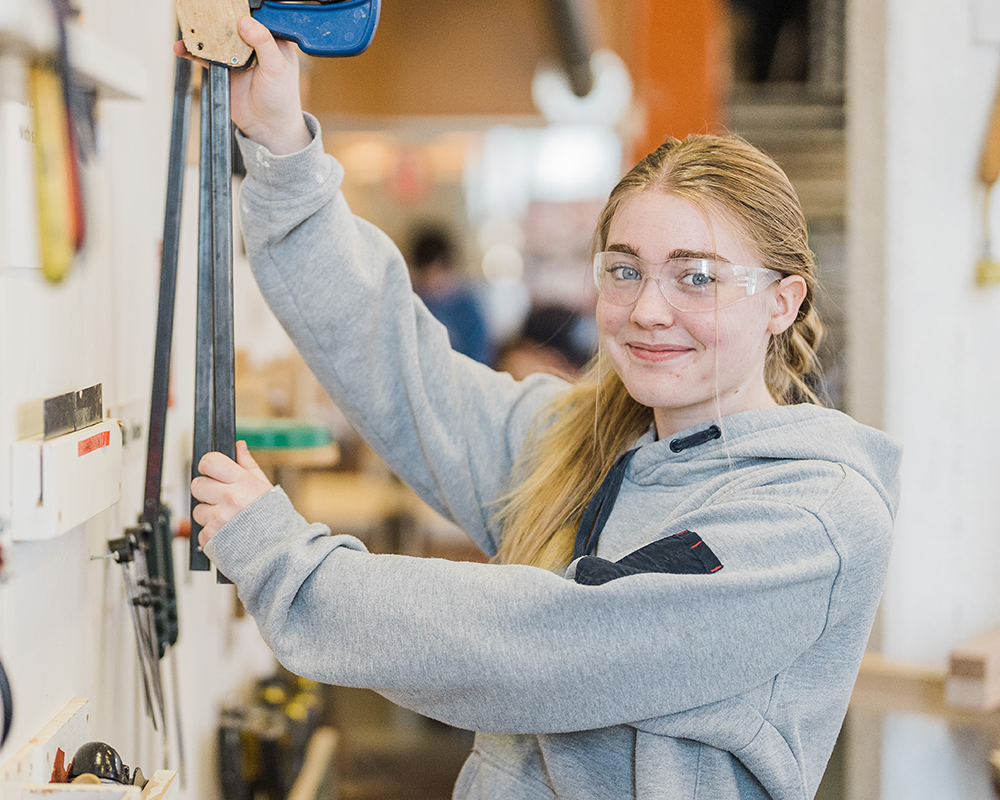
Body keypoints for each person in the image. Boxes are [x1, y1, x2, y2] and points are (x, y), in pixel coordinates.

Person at [180, 18, 900, 800]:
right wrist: (283, 148)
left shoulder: (813, 517)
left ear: (781, 303)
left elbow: (546, 645)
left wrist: (284, 562)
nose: (649, 310)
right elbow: (398, 363)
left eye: (697, 277)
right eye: (624, 271)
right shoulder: (577, 445)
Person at [408, 225, 492, 365]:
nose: (433, 282)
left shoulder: (467, 304)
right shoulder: (412, 301)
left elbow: (480, 355)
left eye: (438, 273)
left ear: (448, 269)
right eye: (427, 275)